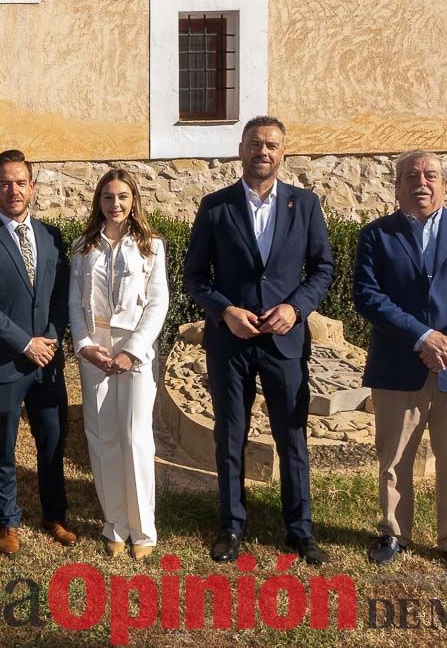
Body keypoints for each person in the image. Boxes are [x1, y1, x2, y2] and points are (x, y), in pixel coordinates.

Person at [183, 116, 334, 566]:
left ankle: (300, 530)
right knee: (230, 435)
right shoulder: (215, 206)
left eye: (271, 145)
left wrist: (296, 308)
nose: (262, 152)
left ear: (283, 153)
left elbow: (322, 269)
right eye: (254, 144)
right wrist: (224, 310)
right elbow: (194, 275)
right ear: (241, 149)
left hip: (285, 342)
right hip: (230, 342)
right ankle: (231, 525)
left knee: (292, 435)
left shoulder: (304, 205)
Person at [353, 150, 447, 578]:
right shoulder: (376, 235)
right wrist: (422, 337)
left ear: (445, 183)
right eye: (411, 176)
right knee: (394, 458)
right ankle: (393, 533)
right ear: (397, 185)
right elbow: (368, 296)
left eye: (430, 175)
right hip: (397, 365)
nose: (421, 182)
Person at [0, 149, 75, 556]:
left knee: (52, 440)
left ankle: (55, 515)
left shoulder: (51, 236)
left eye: (20, 182)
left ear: (32, 186)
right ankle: (7, 521)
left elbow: (61, 296)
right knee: (3, 445)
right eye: (5, 182)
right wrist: (25, 343)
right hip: (4, 363)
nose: (13, 189)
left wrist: (47, 339)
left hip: (47, 362)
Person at [69, 169, 169, 561]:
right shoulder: (82, 246)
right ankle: (114, 524)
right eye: (108, 197)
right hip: (96, 349)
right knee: (102, 437)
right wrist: (85, 345)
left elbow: (158, 303)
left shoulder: (151, 246)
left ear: (134, 200)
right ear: (99, 201)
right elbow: (76, 304)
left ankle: (143, 529)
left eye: (123, 197)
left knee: (135, 438)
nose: (116, 204)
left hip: (135, 349)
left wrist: (134, 350)